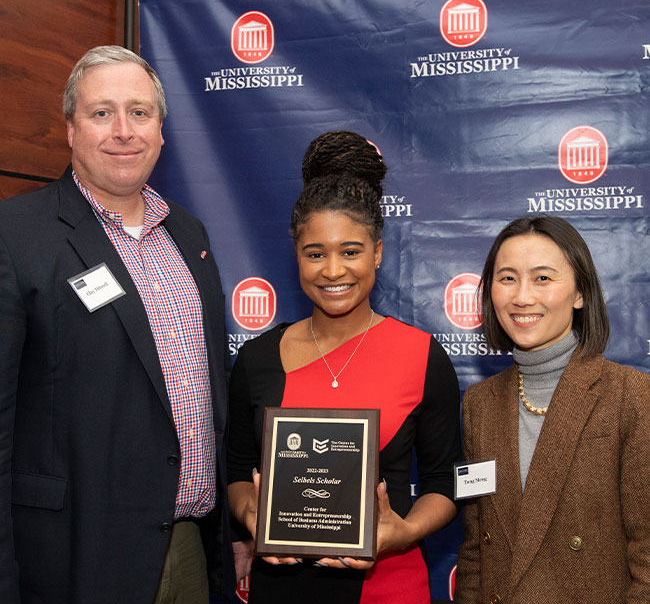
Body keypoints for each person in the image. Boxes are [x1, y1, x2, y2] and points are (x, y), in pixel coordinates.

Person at [0, 46, 235, 603]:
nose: (123, 131)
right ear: (70, 129)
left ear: (161, 130)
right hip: (69, 555)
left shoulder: (189, 234)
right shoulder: (16, 234)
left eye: (140, 112)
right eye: (102, 113)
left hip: (188, 546)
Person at [227, 131, 462, 603]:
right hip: (282, 588)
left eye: (350, 251)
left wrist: (404, 530)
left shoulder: (421, 355)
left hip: (389, 586)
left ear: (377, 251)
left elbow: (443, 482)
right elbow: (236, 469)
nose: (333, 270)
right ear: (296, 254)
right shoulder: (256, 359)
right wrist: (252, 514)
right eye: (315, 254)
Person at [454, 216, 650, 603]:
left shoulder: (632, 396)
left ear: (580, 293)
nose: (522, 296)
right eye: (507, 278)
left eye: (543, 278)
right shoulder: (480, 403)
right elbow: (477, 552)